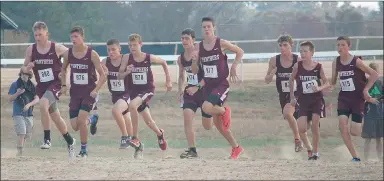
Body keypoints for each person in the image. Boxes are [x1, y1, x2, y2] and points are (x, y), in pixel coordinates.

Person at [190, 17, 244, 159]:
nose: (206, 29)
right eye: (204, 27)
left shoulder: (221, 43)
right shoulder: (198, 47)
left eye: (209, 26)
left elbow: (240, 51)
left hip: (221, 84)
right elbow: (195, 71)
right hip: (206, 86)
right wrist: (195, 60)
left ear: (214, 28)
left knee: (206, 107)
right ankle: (236, 148)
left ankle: (225, 110)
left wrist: (233, 67)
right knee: (215, 125)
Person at [21, 21, 76, 156]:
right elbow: (23, 68)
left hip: (55, 84)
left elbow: (73, 58)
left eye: (40, 34)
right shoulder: (31, 49)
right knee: (55, 116)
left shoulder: (57, 48)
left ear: (47, 33)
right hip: (42, 86)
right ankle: (70, 140)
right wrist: (28, 68)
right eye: (35, 35)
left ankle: (47, 139)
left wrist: (66, 76)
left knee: (43, 104)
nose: (38, 37)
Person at [118, 33, 171, 158]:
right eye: (130, 45)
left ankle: (135, 138)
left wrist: (168, 80)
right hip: (134, 92)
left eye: (135, 45)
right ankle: (159, 134)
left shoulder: (148, 57)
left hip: (147, 90)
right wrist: (127, 71)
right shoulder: (126, 58)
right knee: (149, 121)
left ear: (140, 44)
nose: (132, 48)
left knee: (132, 106)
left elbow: (164, 62)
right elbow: (119, 76)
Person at [331, 36, 379, 162]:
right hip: (344, 99)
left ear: (349, 46)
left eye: (343, 45)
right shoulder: (335, 62)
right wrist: (323, 87)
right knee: (342, 126)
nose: (340, 48)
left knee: (355, 132)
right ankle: (355, 156)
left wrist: (365, 90)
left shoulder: (356, 61)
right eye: (338, 45)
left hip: (357, 99)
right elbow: (332, 81)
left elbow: (374, 74)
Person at [61, 26, 107, 157]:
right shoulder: (68, 54)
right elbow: (63, 69)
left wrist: (96, 90)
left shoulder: (92, 54)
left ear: (83, 37)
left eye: (76, 37)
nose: (73, 39)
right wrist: (64, 85)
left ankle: (83, 150)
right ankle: (93, 119)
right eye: (72, 37)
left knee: (81, 121)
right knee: (75, 126)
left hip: (89, 92)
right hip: (75, 93)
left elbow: (103, 76)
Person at [289, 41, 330, 160]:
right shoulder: (298, 66)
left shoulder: (318, 67)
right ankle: (310, 148)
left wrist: (319, 87)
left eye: (305, 51)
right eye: (301, 51)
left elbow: (327, 83)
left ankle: (316, 153)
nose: (302, 53)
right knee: (302, 129)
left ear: (312, 52)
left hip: (316, 99)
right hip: (303, 100)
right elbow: (291, 80)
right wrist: (292, 96)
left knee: (315, 126)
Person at [264, 34, 305, 152]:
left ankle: (298, 140)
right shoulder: (274, 60)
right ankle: (306, 147)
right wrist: (271, 74)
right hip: (283, 95)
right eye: (280, 45)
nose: (282, 48)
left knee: (288, 114)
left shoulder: (298, 60)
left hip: (297, 94)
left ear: (291, 45)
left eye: (285, 45)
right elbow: (266, 80)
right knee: (294, 119)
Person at [177, 28, 213, 159]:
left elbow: (209, 75)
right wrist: (180, 89)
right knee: (187, 118)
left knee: (208, 126)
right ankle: (192, 150)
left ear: (193, 40)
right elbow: (181, 76)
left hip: (204, 91)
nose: (184, 41)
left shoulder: (201, 55)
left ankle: (220, 112)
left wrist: (198, 86)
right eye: (182, 38)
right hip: (190, 92)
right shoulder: (180, 58)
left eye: (187, 38)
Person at [101, 39, 133, 149]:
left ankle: (124, 137)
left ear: (119, 49)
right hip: (115, 95)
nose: (111, 52)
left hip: (127, 93)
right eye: (108, 50)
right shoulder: (105, 62)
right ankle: (133, 142)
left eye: (113, 49)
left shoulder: (126, 59)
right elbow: (99, 75)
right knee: (127, 119)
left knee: (116, 111)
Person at [8, 69, 40, 156]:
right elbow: (10, 98)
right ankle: (20, 153)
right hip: (18, 112)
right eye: (22, 74)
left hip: (29, 113)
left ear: (29, 75)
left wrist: (29, 105)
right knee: (22, 132)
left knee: (27, 134)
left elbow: (37, 98)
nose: (23, 76)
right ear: (20, 74)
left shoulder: (33, 86)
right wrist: (17, 93)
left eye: (26, 74)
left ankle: (19, 147)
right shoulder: (15, 84)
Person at [362, 62, 383, 161]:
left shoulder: (380, 83)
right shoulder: (365, 83)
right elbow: (362, 97)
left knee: (379, 138)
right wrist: (369, 100)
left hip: (379, 114)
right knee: (368, 138)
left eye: (376, 71)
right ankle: (365, 158)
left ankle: (380, 158)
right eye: (372, 71)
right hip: (369, 114)